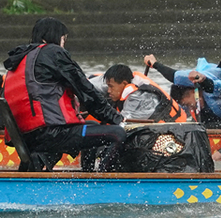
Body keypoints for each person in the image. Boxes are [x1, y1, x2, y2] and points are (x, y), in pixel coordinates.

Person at [3, 17, 126, 171]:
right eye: (63, 39)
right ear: (49, 38)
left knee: (92, 126)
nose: (63, 44)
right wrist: (117, 119)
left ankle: (85, 174)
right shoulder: (53, 52)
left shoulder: (19, 60)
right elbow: (86, 91)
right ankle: (100, 183)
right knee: (117, 134)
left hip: (26, 137)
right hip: (51, 134)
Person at [103, 64, 186, 122]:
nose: (108, 90)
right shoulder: (132, 89)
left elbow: (122, 123)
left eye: (111, 86)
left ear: (124, 83)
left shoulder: (137, 97)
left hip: (173, 130)